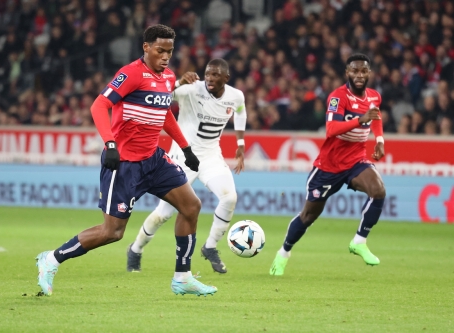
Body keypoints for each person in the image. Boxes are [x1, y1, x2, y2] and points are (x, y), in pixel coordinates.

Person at [35, 24, 217, 297]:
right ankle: (51, 259)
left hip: (153, 159)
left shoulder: (168, 77)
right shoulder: (130, 74)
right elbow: (99, 105)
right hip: (124, 163)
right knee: (113, 232)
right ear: (146, 47)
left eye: (170, 51)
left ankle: (183, 277)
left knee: (191, 206)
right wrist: (109, 143)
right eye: (160, 50)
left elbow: (164, 112)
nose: (166, 56)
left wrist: (185, 148)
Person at [269, 53, 386, 276]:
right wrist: (360, 120)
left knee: (378, 190)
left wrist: (379, 140)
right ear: (347, 73)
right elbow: (331, 129)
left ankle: (359, 241)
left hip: (356, 161)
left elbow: (375, 116)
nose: (359, 75)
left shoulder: (374, 97)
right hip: (328, 167)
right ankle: (283, 253)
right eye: (355, 71)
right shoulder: (337, 97)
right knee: (308, 216)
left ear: (369, 73)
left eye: (363, 71)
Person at [127, 58, 247, 274]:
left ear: (226, 78)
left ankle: (210, 247)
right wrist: (179, 84)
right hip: (184, 156)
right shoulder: (191, 90)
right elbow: (163, 97)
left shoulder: (235, 95)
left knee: (230, 197)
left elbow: (240, 111)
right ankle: (135, 249)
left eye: (215, 75)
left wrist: (240, 143)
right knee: (164, 213)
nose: (210, 78)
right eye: (208, 74)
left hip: (211, 156)